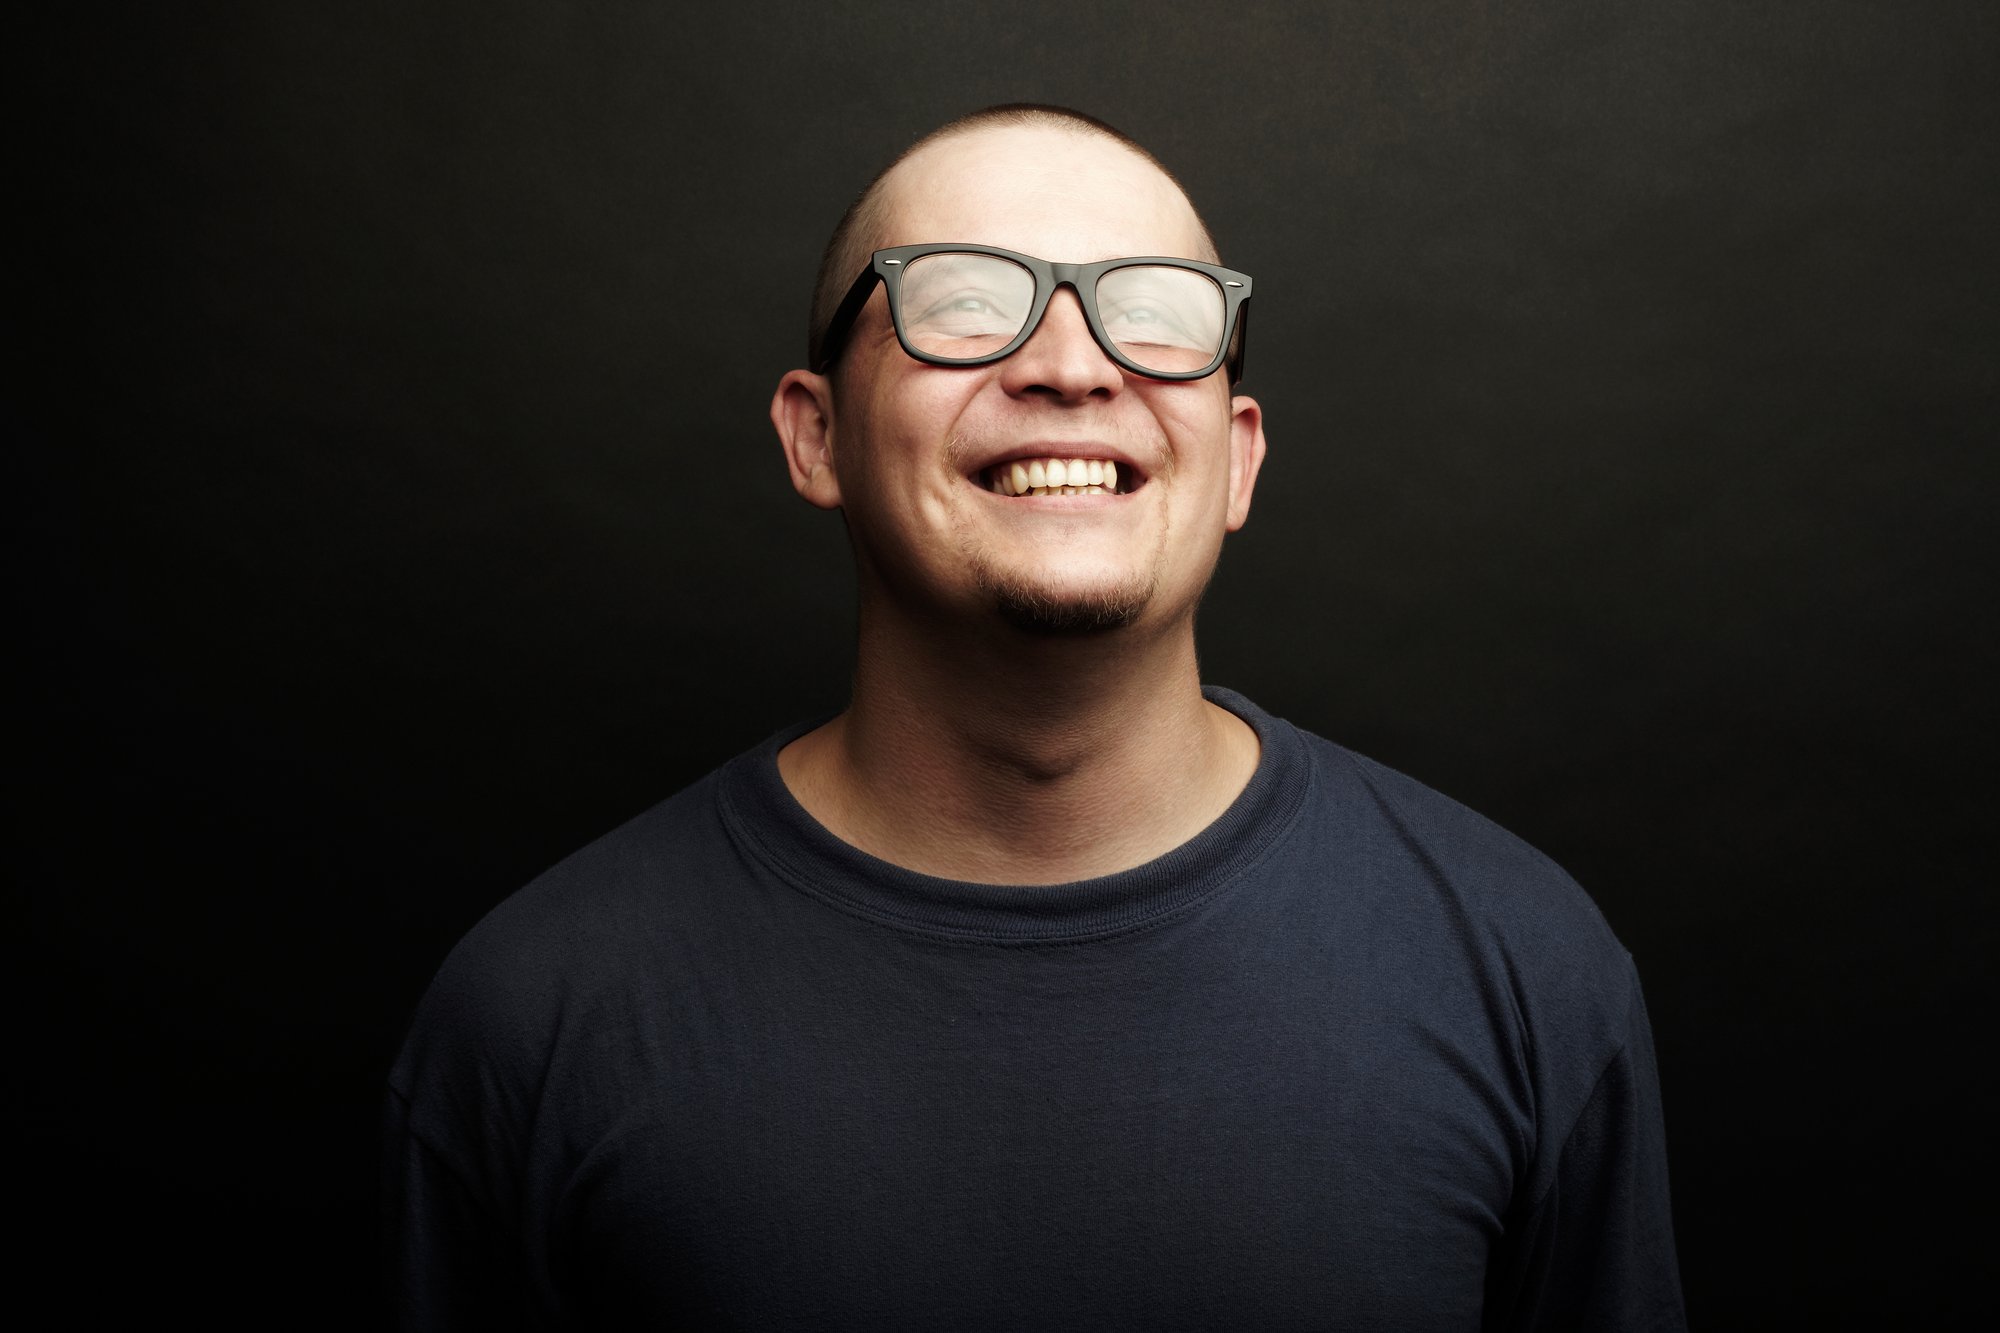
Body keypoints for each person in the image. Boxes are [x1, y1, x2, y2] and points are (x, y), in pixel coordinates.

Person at [385, 104, 1686, 1330]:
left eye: (1154, 313)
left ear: (1238, 456)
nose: (1071, 367)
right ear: (815, 435)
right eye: (963, 299)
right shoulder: (534, 1019)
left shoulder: (1528, 972)